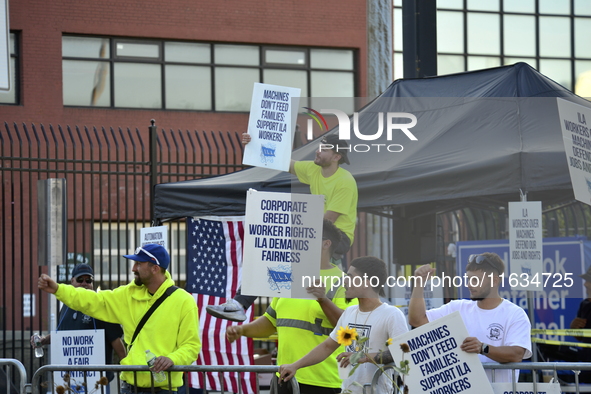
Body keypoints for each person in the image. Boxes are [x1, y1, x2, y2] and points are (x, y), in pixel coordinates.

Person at [207, 133, 358, 322]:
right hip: (316, 232)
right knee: (273, 255)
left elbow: (328, 221)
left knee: (278, 254)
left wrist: (290, 230)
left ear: (337, 157)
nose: (318, 152)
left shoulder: (345, 181)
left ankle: (240, 304)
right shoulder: (313, 169)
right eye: (319, 147)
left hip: (337, 237)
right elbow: (280, 161)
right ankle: (240, 304)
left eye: (324, 149)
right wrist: (255, 145)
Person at [37, 244, 202, 394]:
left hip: (164, 390)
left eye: (139, 264)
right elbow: (94, 300)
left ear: (155, 268)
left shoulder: (184, 301)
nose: (133, 268)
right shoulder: (127, 294)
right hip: (129, 387)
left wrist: (172, 359)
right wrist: (58, 289)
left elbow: (191, 346)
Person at [226, 219, 356, 394]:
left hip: (323, 381)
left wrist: (323, 299)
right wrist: (242, 330)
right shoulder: (289, 278)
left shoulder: (344, 283)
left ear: (326, 244)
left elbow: (347, 331)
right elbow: (270, 323)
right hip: (284, 377)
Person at [279, 256, 408, 394]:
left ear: (367, 282)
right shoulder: (350, 312)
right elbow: (327, 346)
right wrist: (295, 366)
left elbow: (403, 352)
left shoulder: (391, 314)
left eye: (350, 276)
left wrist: (363, 356)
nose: (344, 281)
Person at [408, 253, 532, 383]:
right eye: (468, 279)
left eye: (475, 280)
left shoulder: (515, 314)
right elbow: (417, 320)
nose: (469, 284)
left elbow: (517, 354)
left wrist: (483, 348)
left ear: (495, 281)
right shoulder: (457, 307)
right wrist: (419, 283)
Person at [31, 264, 126, 390]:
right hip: (70, 380)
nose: (85, 283)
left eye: (88, 280)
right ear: (72, 281)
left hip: (98, 381)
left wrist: (128, 371)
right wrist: (44, 340)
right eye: (80, 280)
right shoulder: (66, 306)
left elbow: (116, 341)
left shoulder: (101, 305)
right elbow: (62, 333)